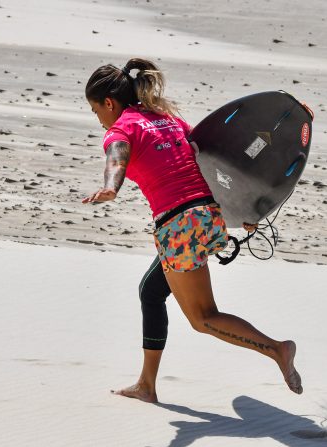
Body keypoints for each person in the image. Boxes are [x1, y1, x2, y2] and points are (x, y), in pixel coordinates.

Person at [82, 58, 302, 403]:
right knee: (151, 292)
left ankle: (277, 349)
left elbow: (117, 155)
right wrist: (245, 208)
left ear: (108, 103)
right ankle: (146, 385)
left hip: (179, 225)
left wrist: (111, 186)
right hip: (206, 214)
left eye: (95, 110)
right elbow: (213, 163)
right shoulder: (169, 119)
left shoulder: (121, 128)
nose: (98, 119)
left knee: (203, 318)